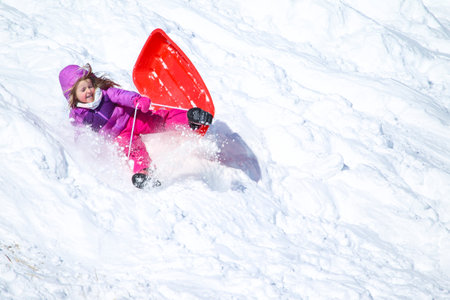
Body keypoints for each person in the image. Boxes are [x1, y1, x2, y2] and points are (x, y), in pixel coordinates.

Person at [59, 63, 213, 188]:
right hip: (120, 135)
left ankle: (190, 118)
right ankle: (144, 172)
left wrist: (137, 101)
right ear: (72, 95)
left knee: (160, 120)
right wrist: (83, 146)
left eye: (89, 86)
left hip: (132, 118)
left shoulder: (105, 94)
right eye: (83, 89)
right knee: (134, 150)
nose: (89, 91)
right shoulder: (79, 115)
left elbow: (123, 96)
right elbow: (80, 133)